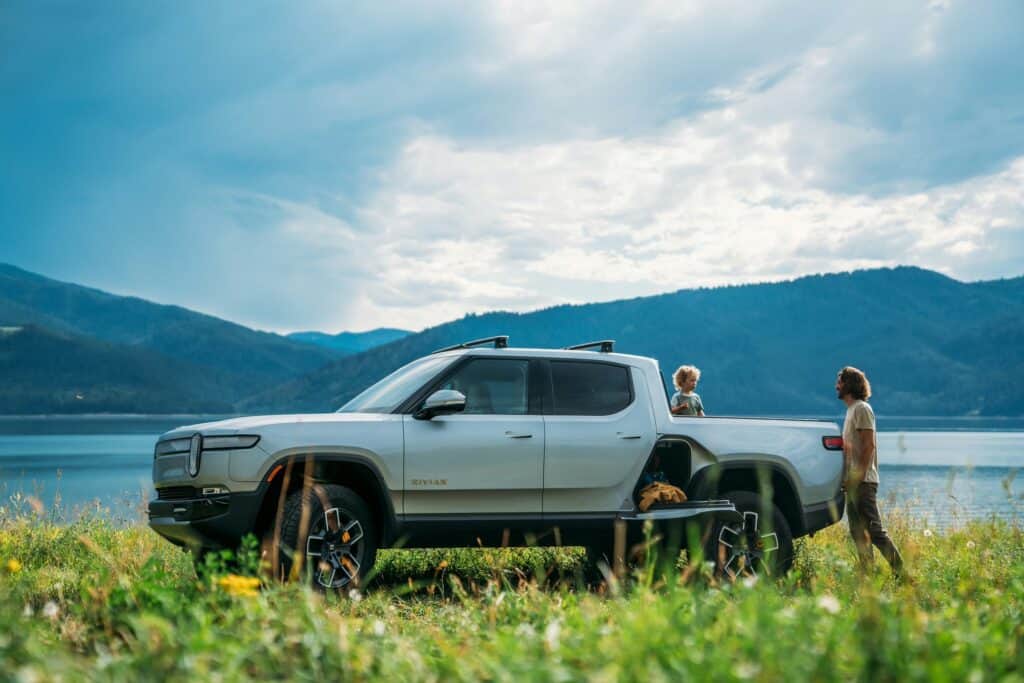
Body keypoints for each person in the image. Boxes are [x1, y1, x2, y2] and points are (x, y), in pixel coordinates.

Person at [836, 366, 904, 577]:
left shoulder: (862, 409)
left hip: (863, 482)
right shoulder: (851, 410)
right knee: (858, 534)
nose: (836, 386)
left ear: (848, 384)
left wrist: (858, 477)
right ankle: (869, 577)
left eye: (839, 381)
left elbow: (869, 446)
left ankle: (902, 575)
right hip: (853, 482)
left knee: (874, 530)